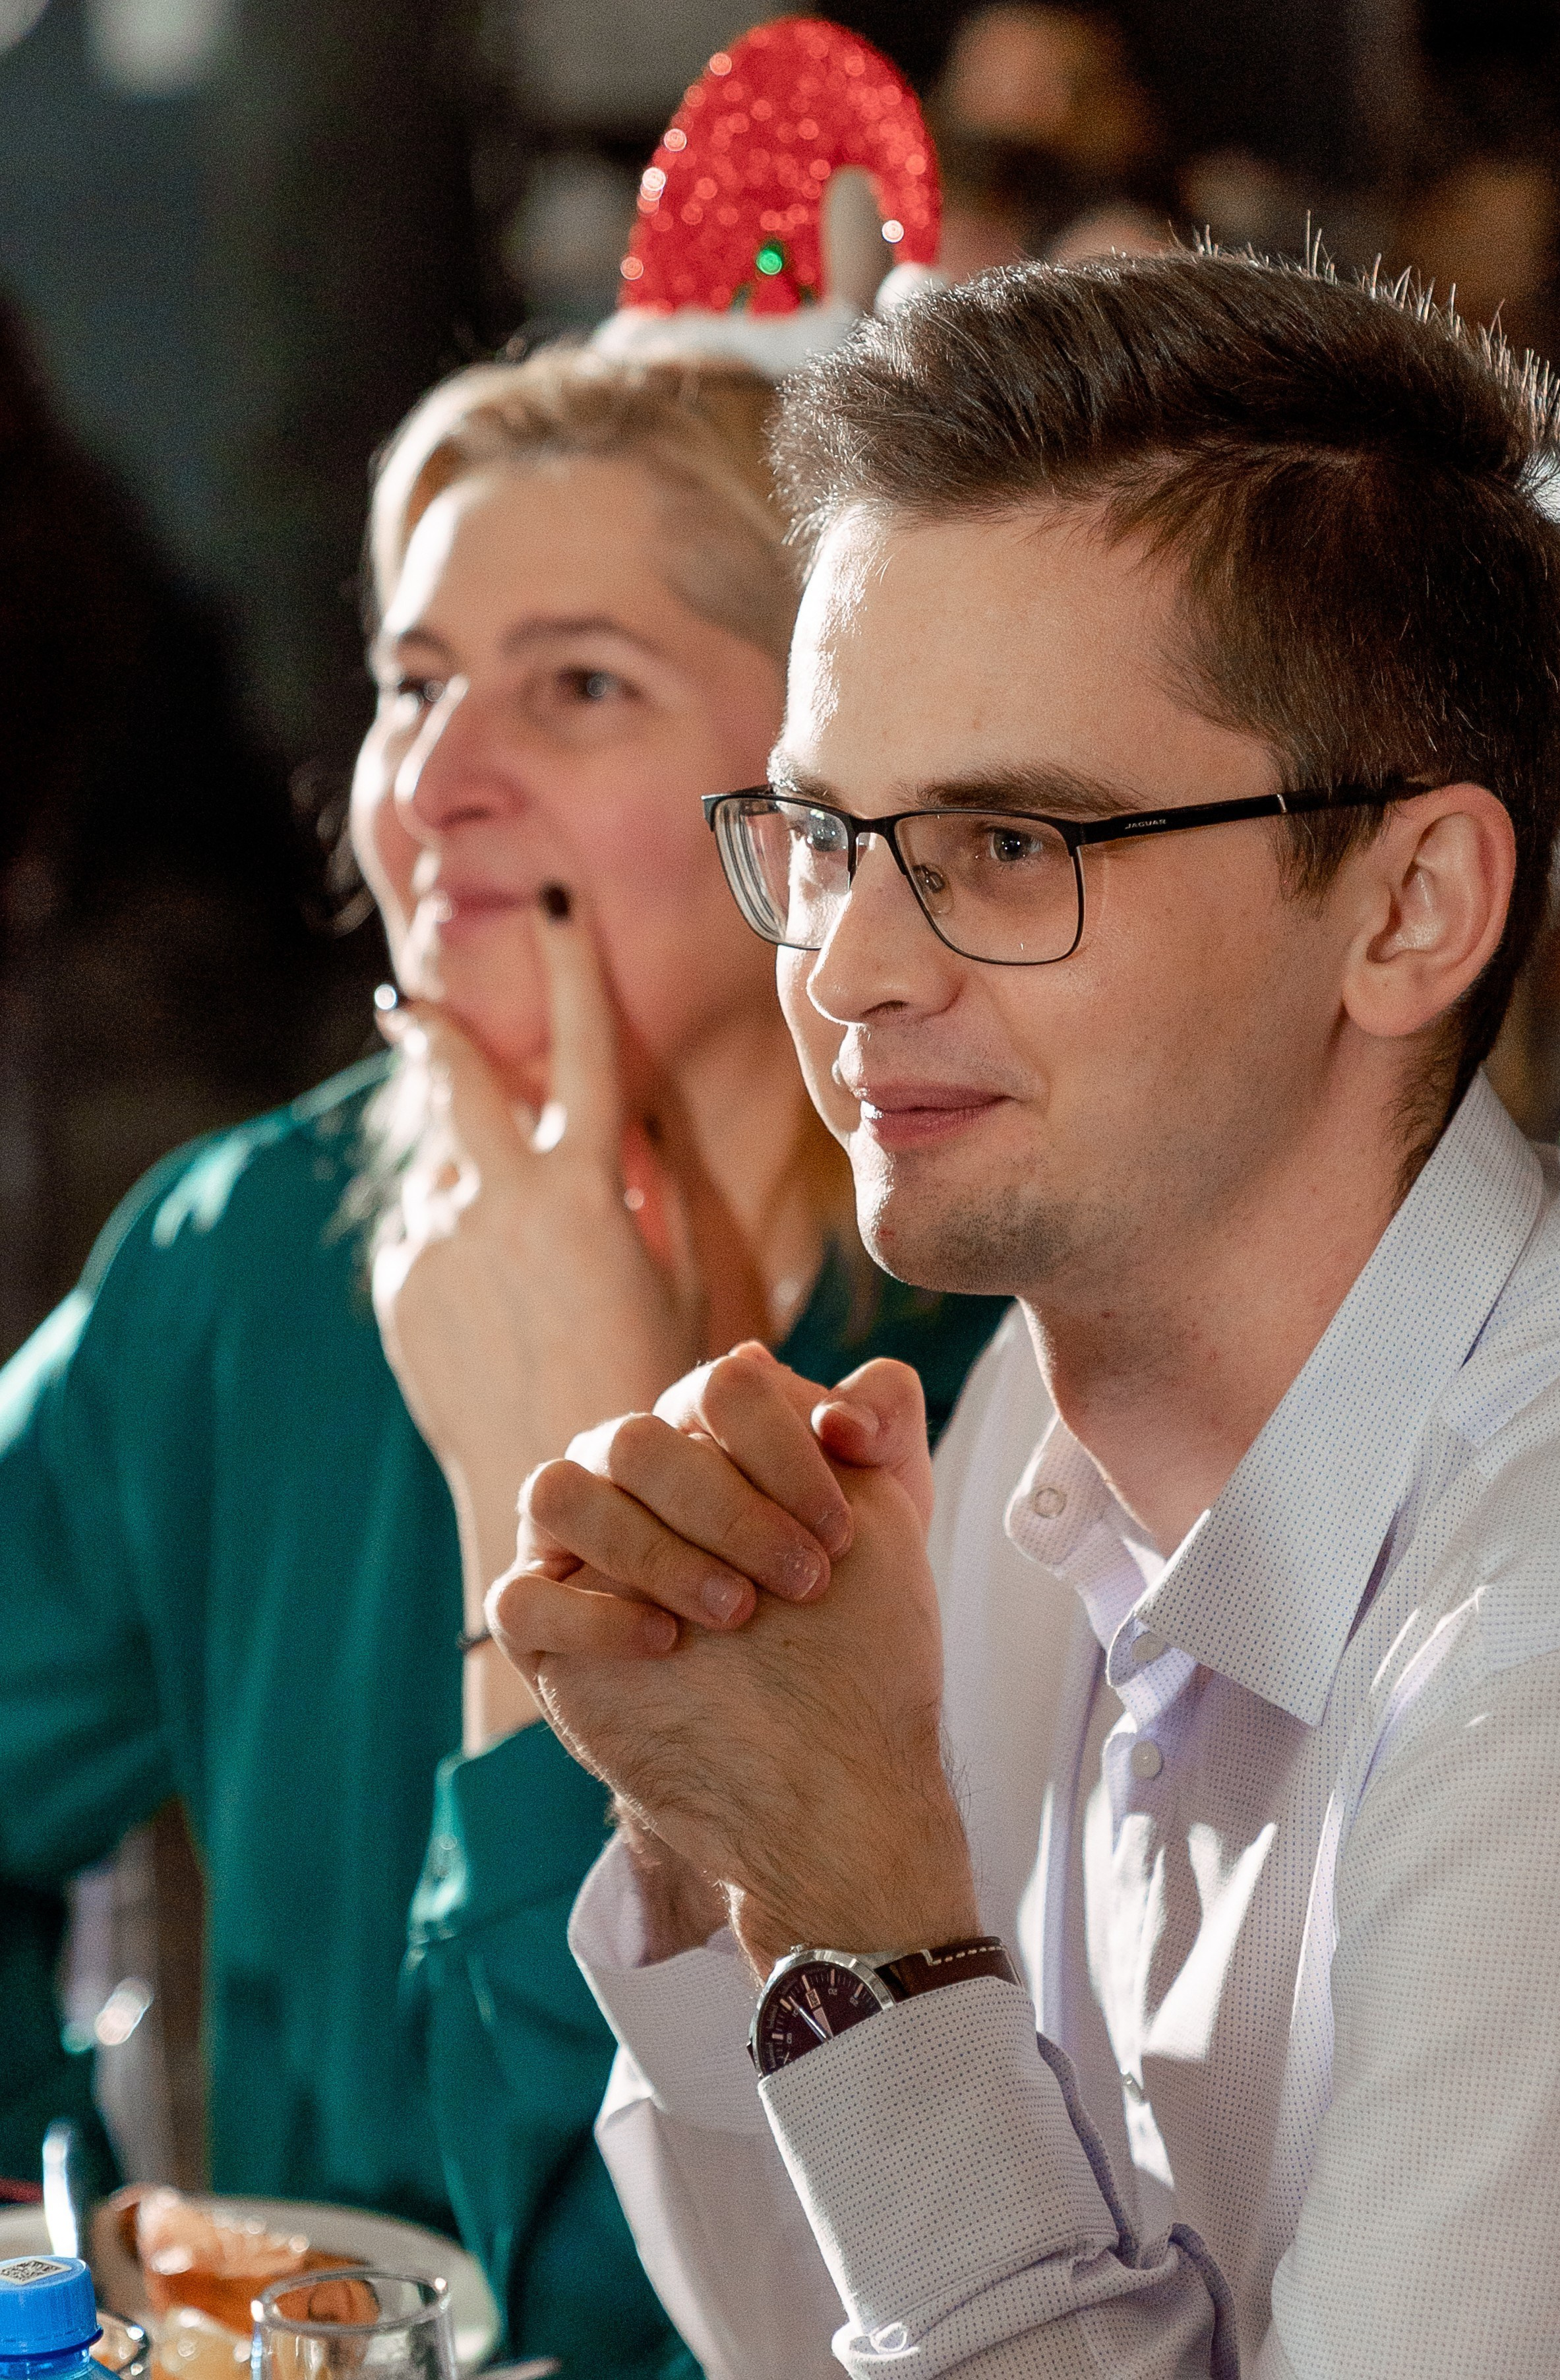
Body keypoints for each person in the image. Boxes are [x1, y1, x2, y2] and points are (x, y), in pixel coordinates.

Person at [430, 255, 1560, 2377]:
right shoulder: (1000, 1484)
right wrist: (726, 1844)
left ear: (1414, 905)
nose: (851, 964)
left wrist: (871, 1928)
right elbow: (818, 2345)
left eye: (1007, 837)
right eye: (827, 831)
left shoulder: (1553, 1661)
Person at [0, 340, 1005, 2377]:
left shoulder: (1004, 1334)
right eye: (413, 679)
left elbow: (658, 2286)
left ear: (820, 788)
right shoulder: (245, 1256)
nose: (434, 773)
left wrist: (537, 1466)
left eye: (577, 685)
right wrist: (50, 2253)